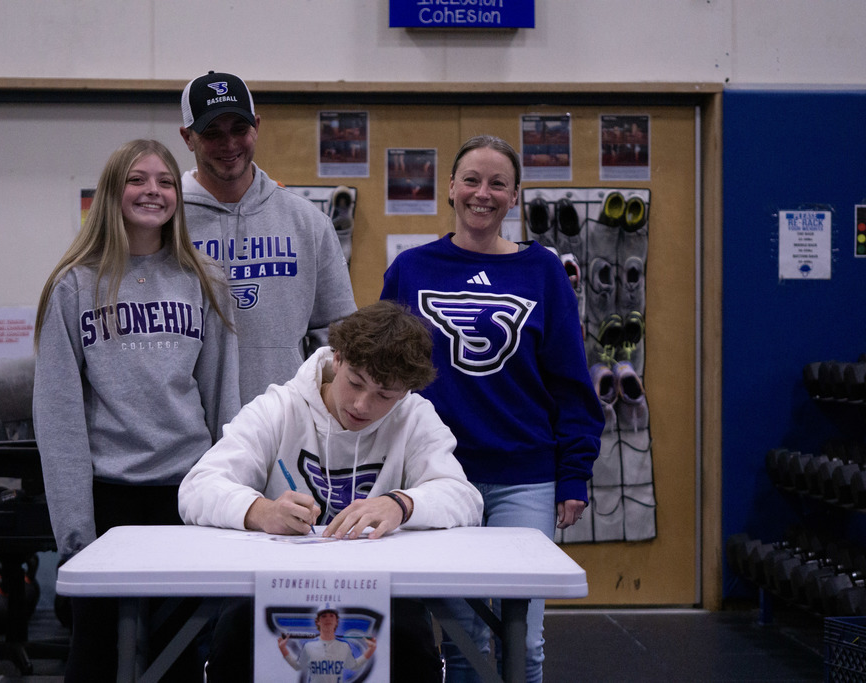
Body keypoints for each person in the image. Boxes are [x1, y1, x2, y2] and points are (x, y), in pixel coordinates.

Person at [379, 134, 604, 683]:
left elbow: (572, 383)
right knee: (463, 641)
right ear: (451, 188)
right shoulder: (411, 269)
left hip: (524, 477)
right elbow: (384, 376)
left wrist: (573, 476)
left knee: (522, 643)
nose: (483, 193)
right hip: (436, 478)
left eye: (497, 183)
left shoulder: (543, 270)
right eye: (472, 180)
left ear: (515, 197)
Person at [179, 300, 483, 681]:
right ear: (336, 359)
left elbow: (464, 496)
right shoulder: (280, 407)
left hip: (380, 586)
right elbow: (198, 486)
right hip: (277, 583)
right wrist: (260, 511)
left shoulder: (415, 416)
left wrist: (402, 503)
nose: (362, 404)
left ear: (405, 391)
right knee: (238, 632)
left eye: (384, 395)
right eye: (355, 382)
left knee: (408, 638)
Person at [33, 138, 240, 682]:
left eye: (166, 181)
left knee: (177, 660)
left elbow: (225, 402)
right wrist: (75, 533)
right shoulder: (73, 284)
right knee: (97, 657)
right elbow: (57, 417)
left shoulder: (206, 281)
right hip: (108, 500)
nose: (154, 191)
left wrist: (228, 499)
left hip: (186, 495)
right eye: (138, 179)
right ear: (112, 192)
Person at [179, 70, 357, 405]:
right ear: (187, 137)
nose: (229, 144)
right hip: (188, 435)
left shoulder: (308, 222)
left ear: (256, 127)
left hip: (285, 430)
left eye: (239, 129)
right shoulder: (165, 223)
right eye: (212, 132)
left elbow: (340, 335)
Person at [278, 606, 377, 682]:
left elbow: (355, 666)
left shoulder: (343, 646)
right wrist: (283, 648)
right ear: (318, 622)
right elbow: (298, 665)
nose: (328, 619)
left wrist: (370, 650)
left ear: (336, 622)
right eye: (324, 617)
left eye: (331, 616)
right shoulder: (310, 647)